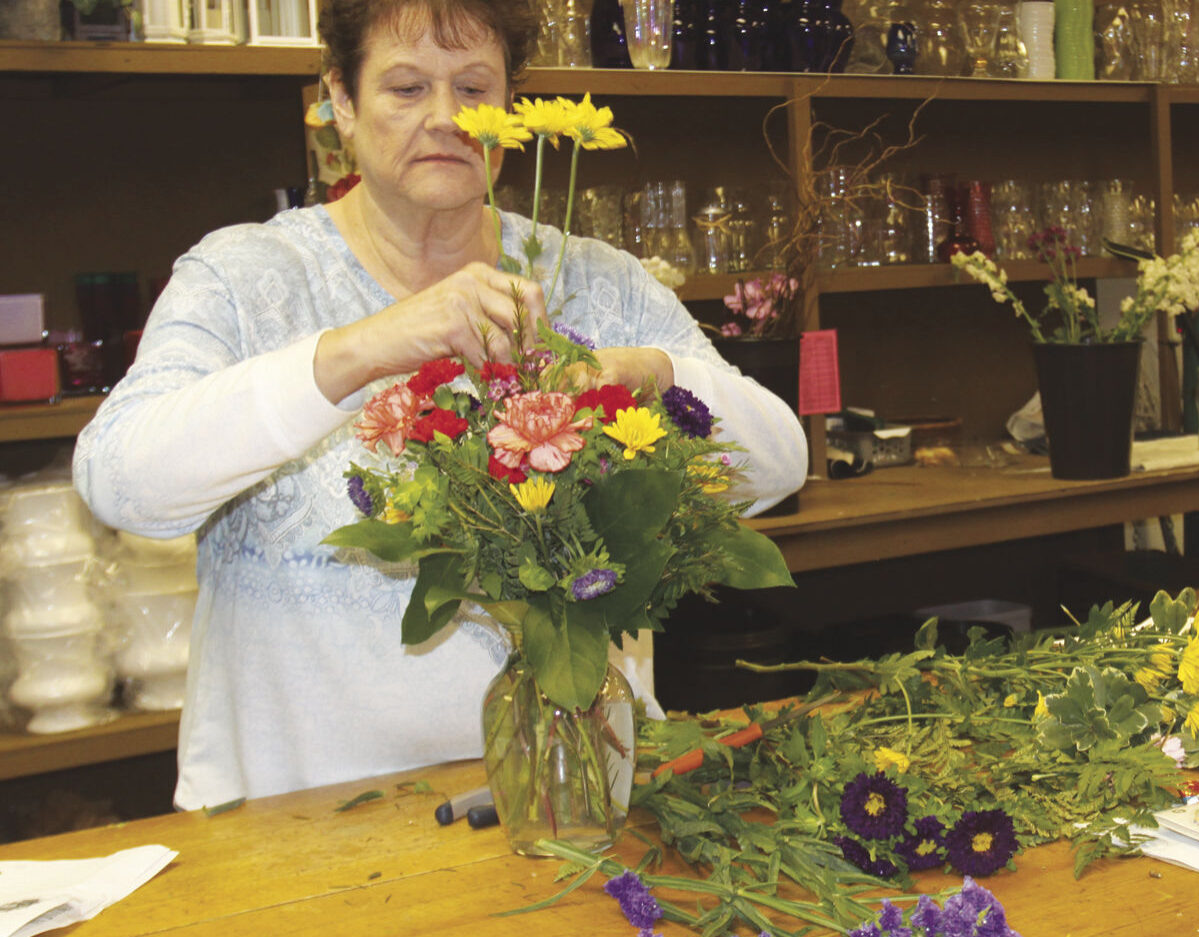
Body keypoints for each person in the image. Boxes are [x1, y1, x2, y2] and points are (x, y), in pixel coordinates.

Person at [73, 0, 808, 811]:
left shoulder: (595, 279)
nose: (447, 118)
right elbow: (120, 480)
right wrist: (361, 349)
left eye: (473, 87)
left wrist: (642, 371)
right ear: (340, 104)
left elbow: (778, 463)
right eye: (405, 87)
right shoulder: (244, 277)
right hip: (298, 832)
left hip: (572, 808)